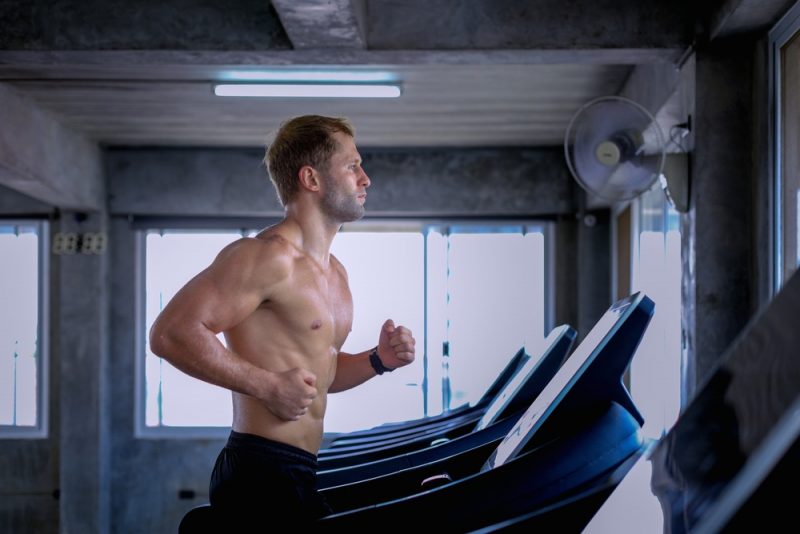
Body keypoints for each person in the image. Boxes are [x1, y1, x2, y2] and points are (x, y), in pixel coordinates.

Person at [149, 115, 416, 529]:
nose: (366, 179)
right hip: (260, 469)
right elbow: (170, 334)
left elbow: (318, 377)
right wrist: (266, 385)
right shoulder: (263, 257)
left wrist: (378, 360)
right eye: (352, 166)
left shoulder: (335, 272)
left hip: (301, 468)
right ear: (311, 178)